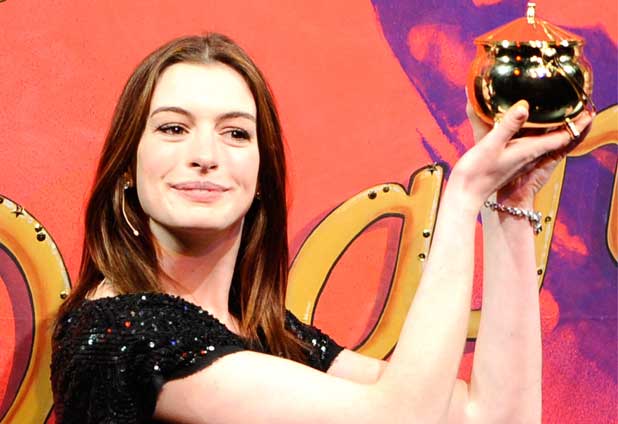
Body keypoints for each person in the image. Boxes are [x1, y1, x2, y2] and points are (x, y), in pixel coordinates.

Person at [50, 33, 593, 423]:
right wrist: (463, 195)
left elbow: (494, 416)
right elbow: (401, 419)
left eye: (236, 134)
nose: (205, 155)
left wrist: (508, 203)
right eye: (173, 128)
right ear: (127, 166)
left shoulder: (264, 335)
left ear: (261, 174)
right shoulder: (120, 334)